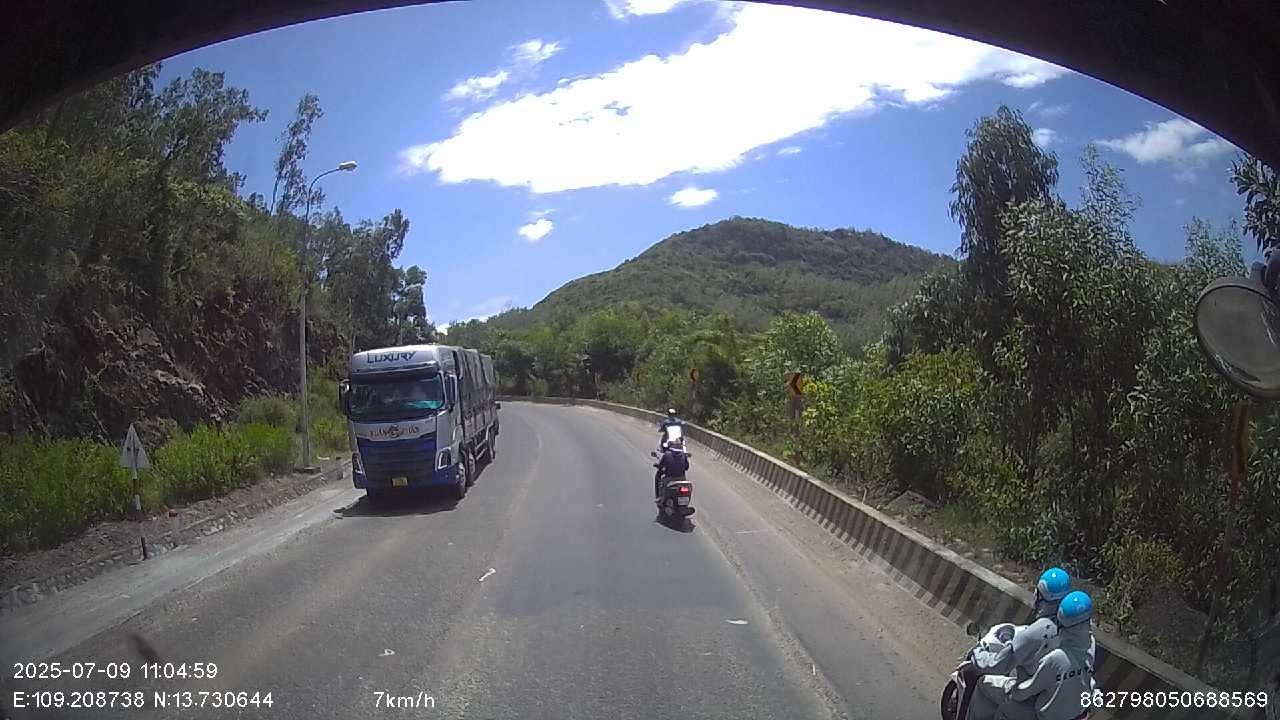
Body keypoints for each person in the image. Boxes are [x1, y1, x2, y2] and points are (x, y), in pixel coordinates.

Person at [977, 590, 1095, 720]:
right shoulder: (1091, 644)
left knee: (1001, 706)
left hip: (1045, 715)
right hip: (1077, 711)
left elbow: (1026, 690)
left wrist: (1012, 689)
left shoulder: (1056, 658)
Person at [973, 567, 1071, 678]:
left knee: (984, 684)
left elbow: (997, 664)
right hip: (1066, 685)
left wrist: (977, 653)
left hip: (1031, 686)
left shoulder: (1035, 633)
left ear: (1038, 595)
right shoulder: (1076, 629)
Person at [654, 437, 690, 501]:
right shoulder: (683, 455)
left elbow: (661, 466)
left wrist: (658, 466)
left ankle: (658, 497)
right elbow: (687, 467)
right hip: (682, 479)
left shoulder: (667, 454)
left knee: (658, 477)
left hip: (669, 479)